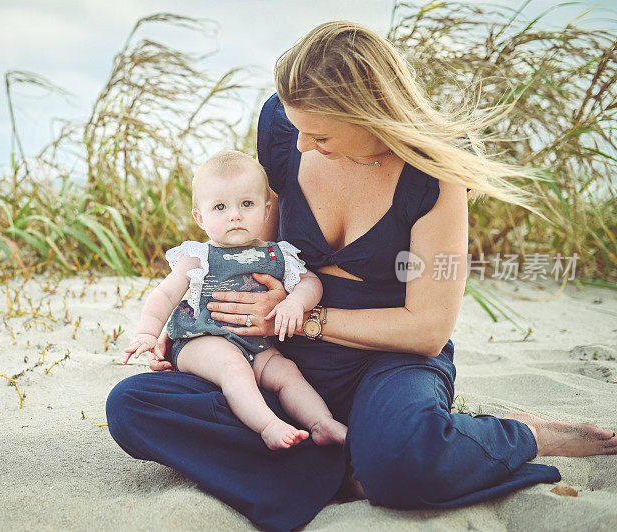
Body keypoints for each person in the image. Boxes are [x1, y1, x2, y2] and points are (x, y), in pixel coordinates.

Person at [106, 21, 617, 532]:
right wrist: (189, 325)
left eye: (320, 134)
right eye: (295, 127)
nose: (301, 146)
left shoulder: (434, 174)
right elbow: (249, 235)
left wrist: (303, 318)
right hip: (281, 357)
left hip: (386, 358)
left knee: (404, 467)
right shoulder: (285, 130)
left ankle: (518, 435)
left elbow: (427, 330)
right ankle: (351, 462)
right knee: (133, 406)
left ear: (369, 116)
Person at [122, 150, 348, 450]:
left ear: (267, 211)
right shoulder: (197, 256)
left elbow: (310, 282)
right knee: (233, 366)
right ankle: (268, 426)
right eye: (220, 207)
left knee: (287, 374)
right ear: (199, 218)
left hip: (258, 346)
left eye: (246, 204)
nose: (235, 214)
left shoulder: (277, 255)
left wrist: (297, 303)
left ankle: (322, 423)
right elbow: (164, 294)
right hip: (201, 341)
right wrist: (147, 334)